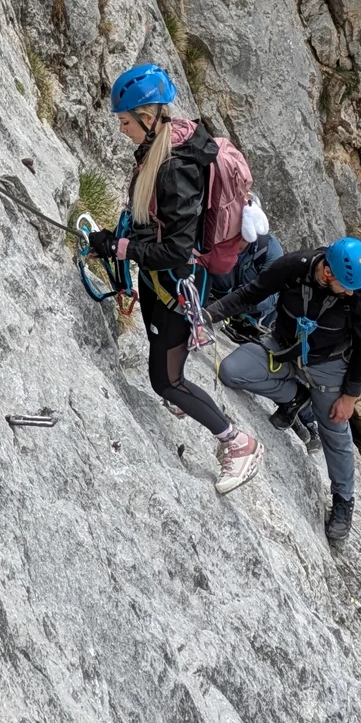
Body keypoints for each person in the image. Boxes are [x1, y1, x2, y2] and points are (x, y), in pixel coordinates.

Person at [96, 63, 263, 496]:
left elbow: (176, 248)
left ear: (147, 119)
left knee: (164, 379)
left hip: (177, 284)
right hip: (160, 281)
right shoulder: (164, 145)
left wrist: (120, 249)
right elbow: (156, 224)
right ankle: (180, 392)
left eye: (125, 122)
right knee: (162, 350)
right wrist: (114, 240)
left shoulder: (175, 168)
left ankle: (237, 442)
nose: (122, 130)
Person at [208, 237, 361, 548]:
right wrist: (206, 316)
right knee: (231, 371)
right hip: (283, 349)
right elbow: (250, 294)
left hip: (328, 366)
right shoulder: (294, 267)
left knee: (335, 427)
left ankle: (343, 501)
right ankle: (295, 397)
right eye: (346, 286)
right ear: (327, 272)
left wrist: (349, 397)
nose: (352, 292)